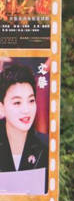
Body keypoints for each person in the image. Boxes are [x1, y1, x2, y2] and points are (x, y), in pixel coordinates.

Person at [0, 63, 48, 192]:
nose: (26, 110)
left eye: (31, 101)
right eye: (17, 102)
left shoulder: (46, 147)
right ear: (1, 108)